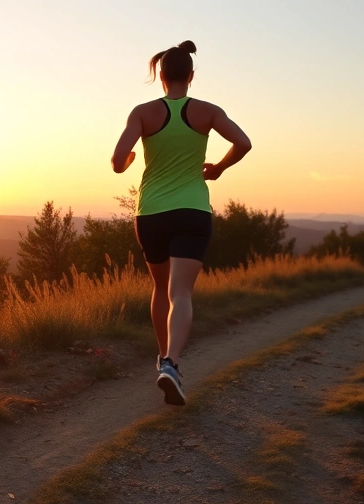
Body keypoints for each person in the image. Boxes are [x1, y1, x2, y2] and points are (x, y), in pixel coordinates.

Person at [111, 40, 252, 406]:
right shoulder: (207, 111)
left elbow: (117, 161)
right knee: (182, 293)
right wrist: (218, 168)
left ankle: (164, 361)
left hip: (151, 213)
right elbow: (244, 142)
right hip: (192, 211)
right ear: (190, 76)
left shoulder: (142, 113)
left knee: (161, 291)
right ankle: (172, 363)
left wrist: (129, 160)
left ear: (161, 77)